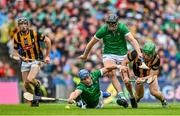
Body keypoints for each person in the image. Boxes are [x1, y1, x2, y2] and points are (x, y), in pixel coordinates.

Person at [79, 14, 143, 108]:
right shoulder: (103, 30)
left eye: (114, 24)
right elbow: (91, 43)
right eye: (110, 24)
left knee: (126, 81)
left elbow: (132, 40)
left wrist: (139, 53)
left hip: (122, 55)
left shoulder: (122, 27)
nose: (112, 26)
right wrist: (85, 55)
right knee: (110, 73)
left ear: (117, 23)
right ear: (107, 24)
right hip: (108, 54)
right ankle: (122, 97)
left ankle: (132, 96)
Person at [13, 17, 51, 107]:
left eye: (24, 24)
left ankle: (37, 84)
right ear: (18, 26)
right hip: (26, 61)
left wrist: (47, 56)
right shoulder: (17, 36)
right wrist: (22, 57)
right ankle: (34, 100)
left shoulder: (34, 33)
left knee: (30, 79)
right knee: (26, 84)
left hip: (36, 59)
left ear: (27, 25)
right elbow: (15, 52)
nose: (23, 26)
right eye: (21, 24)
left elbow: (48, 41)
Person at [122, 42, 168, 108]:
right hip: (138, 76)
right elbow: (124, 62)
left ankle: (163, 100)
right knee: (139, 96)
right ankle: (135, 101)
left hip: (150, 76)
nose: (146, 57)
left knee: (154, 92)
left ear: (153, 54)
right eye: (145, 54)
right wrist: (125, 76)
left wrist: (143, 79)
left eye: (148, 55)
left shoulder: (156, 59)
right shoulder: (135, 53)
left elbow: (152, 75)